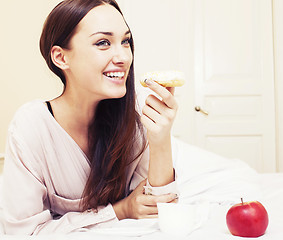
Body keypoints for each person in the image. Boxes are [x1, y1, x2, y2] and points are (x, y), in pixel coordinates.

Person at [1, 0, 179, 235]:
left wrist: (160, 139)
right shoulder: (32, 126)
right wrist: (120, 211)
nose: (124, 57)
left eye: (125, 41)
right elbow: (22, 233)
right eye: (103, 42)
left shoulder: (131, 121)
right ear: (61, 58)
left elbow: (157, 209)